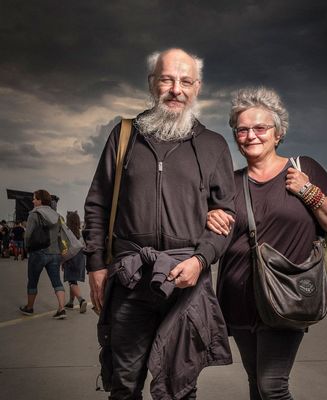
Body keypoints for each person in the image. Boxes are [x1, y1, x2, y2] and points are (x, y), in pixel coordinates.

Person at [84, 48, 235, 399]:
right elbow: (98, 203)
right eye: (167, 79)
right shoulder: (123, 136)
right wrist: (95, 265)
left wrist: (200, 260)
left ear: (197, 87)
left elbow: (225, 216)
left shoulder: (214, 145)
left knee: (179, 387)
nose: (176, 89)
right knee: (123, 386)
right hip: (129, 277)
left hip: (187, 280)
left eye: (185, 81)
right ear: (153, 84)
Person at [206, 87, 327, 400]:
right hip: (238, 298)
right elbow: (214, 235)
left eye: (260, 128)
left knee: (272, 386)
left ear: (278, 133)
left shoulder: (303, 168)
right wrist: (211, 215)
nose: (251, 135)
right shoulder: (229, 181)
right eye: (242, 129)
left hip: (286, 295)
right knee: (257, 383)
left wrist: (308, 190)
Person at [19, 189, 66, 319]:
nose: (33, 201)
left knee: (33, 281)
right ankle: (62, 309)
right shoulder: (57, 216)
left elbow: (28, 235)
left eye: (34, 198)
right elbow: (61, 236)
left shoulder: (34, 214)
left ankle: (29, 307)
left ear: (40, 200)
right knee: (57, 281)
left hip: (38, 252)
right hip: (55, 253)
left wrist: (26, 248)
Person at [63, 211, 87, 313]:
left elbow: (64, 248)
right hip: (80, 258)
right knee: (73, 280)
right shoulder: (81, 233)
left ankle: (81, 300)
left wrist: (62, 261)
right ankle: (70, 302)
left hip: (70, 258)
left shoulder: (67, 233)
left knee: (71, 281)